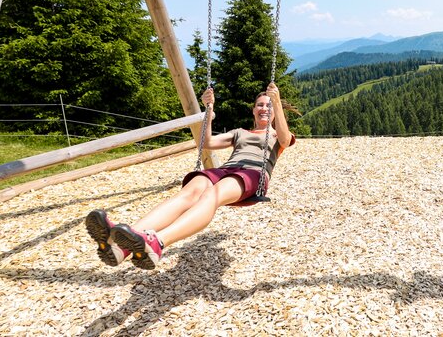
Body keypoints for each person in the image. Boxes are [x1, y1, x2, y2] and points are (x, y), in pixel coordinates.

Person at [85, 83, 295, 269]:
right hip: (224, 169)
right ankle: (121, 244)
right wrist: (209, 110)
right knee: (188, 193)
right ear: (253, 110)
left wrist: (276, 101)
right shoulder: (240, 132)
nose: (264, 109)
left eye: (269, 106)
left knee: (213, 194)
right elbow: (207, 142)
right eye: (260, 105)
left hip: (252, 174)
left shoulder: (277, 134)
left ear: (275, 111)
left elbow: (285, 140)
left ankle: (157, 242)